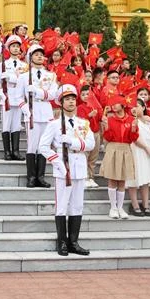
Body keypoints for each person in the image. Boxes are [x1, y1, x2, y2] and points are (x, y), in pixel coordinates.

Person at [39, 84, 94, 256]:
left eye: (73, 99)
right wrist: (57, 162)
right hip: (63, 168)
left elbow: (91, 144)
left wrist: (72, 142)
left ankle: (74, 242)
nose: (71, 102)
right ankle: (62, 242)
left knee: (77, 206)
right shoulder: (54, 124)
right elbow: (43, 147)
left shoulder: (83, 123)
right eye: (67, 99)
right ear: (61, 103)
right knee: (62, 206)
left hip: (79, 166)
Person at [18, 44, 58, 188]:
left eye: (41, 54)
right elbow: (18, 97)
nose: (40, 57)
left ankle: (40, 177)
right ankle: (31, 176)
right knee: (32, 145)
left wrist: (37, 92)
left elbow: (53, 94)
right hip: (32, 112)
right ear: (30, 57)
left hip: (46, 111)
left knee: (43, 145)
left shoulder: (51, 75)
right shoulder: (23, 76)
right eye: (36, 54)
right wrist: (26, 110)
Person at [99, 95, 138, 219]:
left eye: (116, 103)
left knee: (122, 180)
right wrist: (106, 126)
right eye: (112, 104)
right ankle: (113, 207)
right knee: (112, 179)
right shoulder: (110, 119)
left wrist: (133, 129)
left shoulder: (131, 119)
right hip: (113, 148)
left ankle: (120, 207)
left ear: (123, 104)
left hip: (125, 149)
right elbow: (108, 137)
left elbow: (133, 139)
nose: (113, 106)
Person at [126, 98, 150, 216]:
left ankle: (146, 205)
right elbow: (134, 137)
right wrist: (146, 147)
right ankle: (135, 205)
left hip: (149, 152)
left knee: (146, 178)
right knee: (134, 178)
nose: (134, 109)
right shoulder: (130, 120)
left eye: (137, 106)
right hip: (136, 150)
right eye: (132, 107)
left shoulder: (149, 120)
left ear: (143, 107)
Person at [0, 35, 28, 161]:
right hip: (7, 97)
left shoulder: (24, 66)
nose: (15, 49)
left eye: (17, 47)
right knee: (6, 125)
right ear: (8, 49)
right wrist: (1, 94)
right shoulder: (3, 64)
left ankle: (16, 151)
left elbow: (24, 81)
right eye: (13, 46)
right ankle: (7, 152)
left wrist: (11, 77)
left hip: (19, 98)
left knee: (16, 125)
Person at [76, 85, 103, 188]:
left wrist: (101, 113)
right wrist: (89, 115)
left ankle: (91, 177)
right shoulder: (80, 107)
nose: (85, 96)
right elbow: (81, 122)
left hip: (96, 133)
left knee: (93, 157)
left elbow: (100, 118)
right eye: (83, 95)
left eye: (88, 94)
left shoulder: (96, 106)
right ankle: (85, 177)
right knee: (85, 156)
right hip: (86, 134)